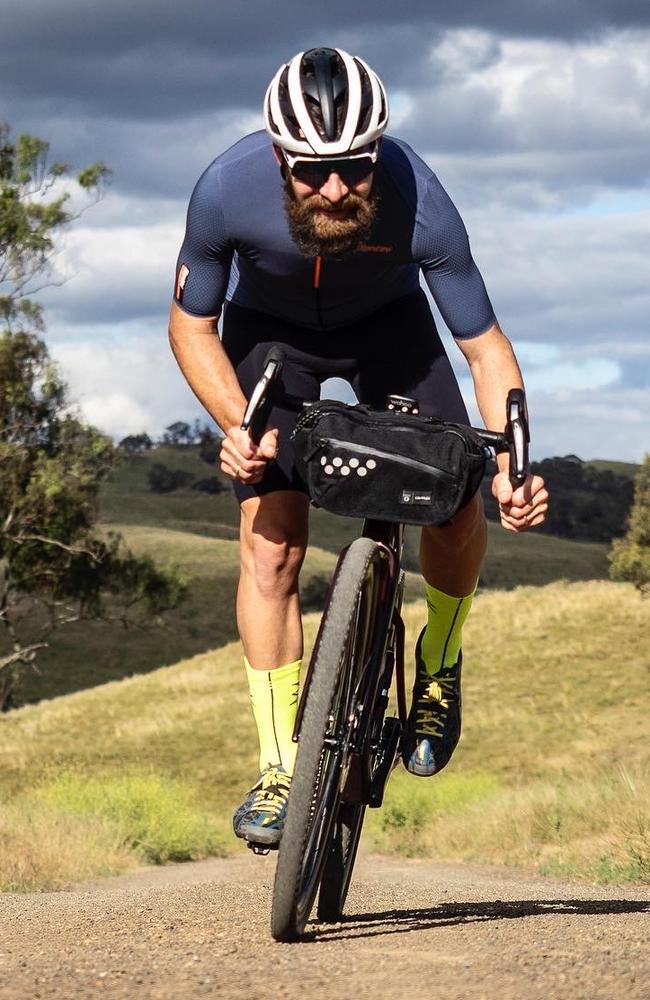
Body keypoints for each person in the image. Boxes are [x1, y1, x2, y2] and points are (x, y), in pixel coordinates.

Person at [169, 47, 549, 847]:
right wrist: (238, 425)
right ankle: (279, 770)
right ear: (278, 156)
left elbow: (483, 346)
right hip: (271, 343)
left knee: (455, 500)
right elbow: (191, 326)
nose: (335, 189)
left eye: (354, 168)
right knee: (270, 546)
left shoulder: (421, 200)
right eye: (311, 172)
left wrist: (515, 462)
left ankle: (438, 662)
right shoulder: (225, 191)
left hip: (391, 337)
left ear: (377, 153)